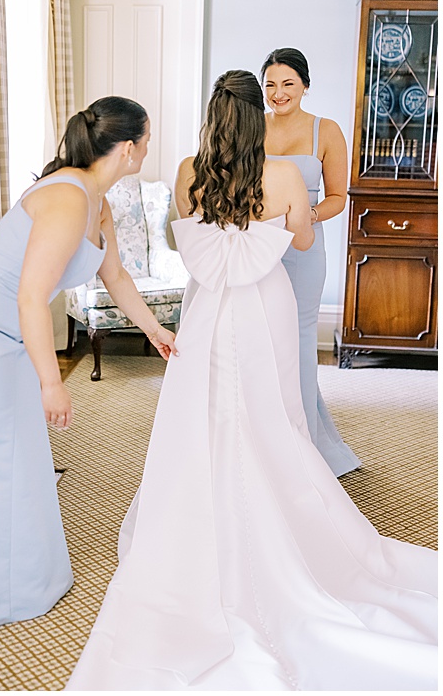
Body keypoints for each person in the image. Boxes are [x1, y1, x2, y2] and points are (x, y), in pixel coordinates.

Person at [67, 71, 437, 690]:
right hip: (264, 303)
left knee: (205, 412)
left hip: (209, 305)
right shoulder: (287, 176)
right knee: (273, 413)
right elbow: (303, 235)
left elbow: (187, 236)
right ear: (256, 117)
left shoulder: (188, 172)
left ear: (214, 119)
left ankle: (198, 515)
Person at [0, 98, 179, 642]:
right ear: (128, 148)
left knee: (14, 450)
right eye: (147, 141)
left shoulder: (96, 202)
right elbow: (33, 296)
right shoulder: (67, 198)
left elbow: (117, 278)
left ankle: (3, 580)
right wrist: (50, 382)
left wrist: (157, 331)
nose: (148, 149)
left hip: (0, 327)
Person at [261, 47, 360, 477]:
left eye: (287, 84)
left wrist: (303, 217)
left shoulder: (327, 131)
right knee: (261, 336)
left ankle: (306, 447)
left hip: (303, 248)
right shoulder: (252, 127)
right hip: (258, 245)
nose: (278, 93)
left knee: (299, 343)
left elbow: (339, 196)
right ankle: (264, 438)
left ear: (304, 85)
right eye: (269, 85)